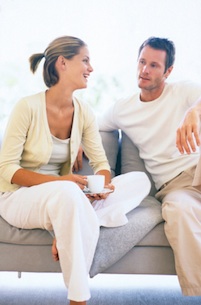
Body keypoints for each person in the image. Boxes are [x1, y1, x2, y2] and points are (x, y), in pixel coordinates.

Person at [0, 36, 151, 305]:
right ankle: (78, 299)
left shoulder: (84, 113)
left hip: (67, 195)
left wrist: (103, 186)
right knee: (70, 192)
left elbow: (103, 165)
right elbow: (7, 169)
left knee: (139, 181)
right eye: (85, 60)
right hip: (19, 197)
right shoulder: (27, 107)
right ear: (62, 63)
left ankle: (70, 223)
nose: (91, 68)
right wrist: (61, 182)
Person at [96, 36, 201, 296]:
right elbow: (93, 125)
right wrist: (77, 141)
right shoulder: (124, 109)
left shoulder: (184, 91)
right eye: (142, 62)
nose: (145, 70)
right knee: (177, 210)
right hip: (176, 187)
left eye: (154, 65)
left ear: (168, 71)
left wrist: (194, 112)